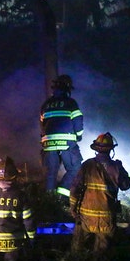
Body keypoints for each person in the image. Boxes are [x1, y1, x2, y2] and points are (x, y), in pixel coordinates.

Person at [69, 132, 130, 259]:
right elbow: (126, 185)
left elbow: (75, 189)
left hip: (86, 218)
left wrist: (73, 210)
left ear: (96, 149)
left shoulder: (87, 165)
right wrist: (121, 168)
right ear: (111, 150)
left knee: (78, 252)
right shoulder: (116, 167)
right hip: (106, 219)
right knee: (101, 256)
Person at [39, 74, 84, 202]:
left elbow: (42, 124)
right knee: (75, 168)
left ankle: (50, 202)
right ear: (68, 88)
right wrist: (79, 135)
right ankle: (62, 195)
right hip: (67, 142)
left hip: (48, 144)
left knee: (50, 173)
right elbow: (78, 121)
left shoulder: (46, 104)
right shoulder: (71, 103)